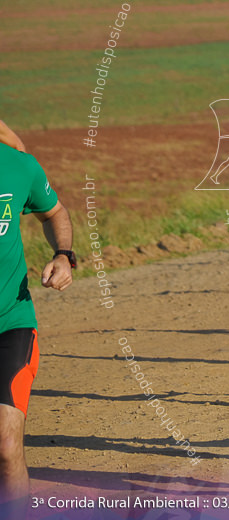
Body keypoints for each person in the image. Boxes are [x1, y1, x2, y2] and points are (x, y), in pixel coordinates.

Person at [1, 144, 74, 516]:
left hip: (10, 321)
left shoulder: (17, 165)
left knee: (5, 444)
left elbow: (54, 212)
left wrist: (64, 254)